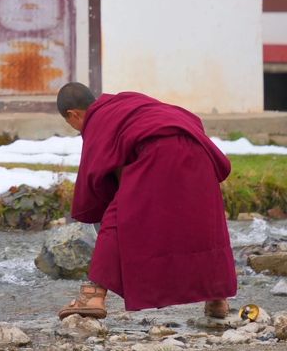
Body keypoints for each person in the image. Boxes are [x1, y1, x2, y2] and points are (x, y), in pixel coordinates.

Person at [56, 82, 236, 321]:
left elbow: (96, 176)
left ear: (73, 114)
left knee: (118, 216)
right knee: (201, 222)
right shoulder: (122, 102)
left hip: (160, 151)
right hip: (197, 148)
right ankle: (216, 299)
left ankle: (94, 296)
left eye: (72, 125)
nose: (78, 130)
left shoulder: (97, 121)